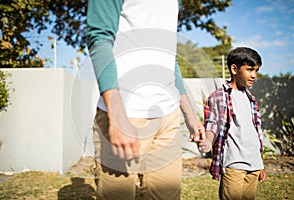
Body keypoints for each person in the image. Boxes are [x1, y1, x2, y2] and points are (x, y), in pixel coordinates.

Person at [86, 0, 204, 199]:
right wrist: (117, 115)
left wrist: (190, 115)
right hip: (126, 115)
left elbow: (169, 57)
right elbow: (99, 38)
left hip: (168, 120)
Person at [198, 47, 267, 200]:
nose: (254, 75)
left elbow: (255, 133)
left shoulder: (251, 99)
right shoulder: (219, 96)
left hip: (254, 165)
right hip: (234, 165)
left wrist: (260, 164)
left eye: (256, 71)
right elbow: (212, 124)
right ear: (234, 69)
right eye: (249, 70)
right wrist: (208, 141)